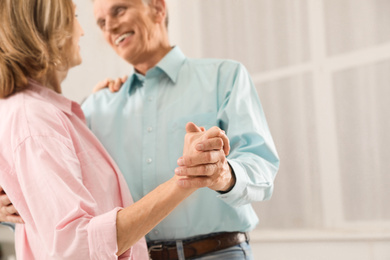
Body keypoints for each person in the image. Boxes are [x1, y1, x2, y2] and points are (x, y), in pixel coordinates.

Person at [2, 0, 280, 259]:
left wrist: (222, 175)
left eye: (119, 10)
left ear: (158, 8)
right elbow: (63, 204)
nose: (109, 26)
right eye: (101, 22)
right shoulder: (94, 107)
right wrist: (10, 205)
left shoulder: (225, 78)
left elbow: (263, 170)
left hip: (217, 253)